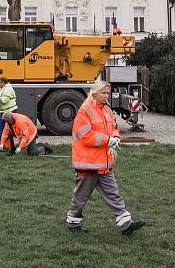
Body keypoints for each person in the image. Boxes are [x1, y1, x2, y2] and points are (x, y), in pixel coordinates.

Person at [65, 80, 145, 236]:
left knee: (113, 194)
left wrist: (115, 138)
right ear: (95, 94)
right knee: (81, 197)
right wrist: (108, 140)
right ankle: (73, 223)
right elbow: (85, 136)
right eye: (104, 93)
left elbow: (114, 128)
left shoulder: (106, 109)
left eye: (107, 93)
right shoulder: (84, 111)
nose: (106, 95)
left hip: (103, 163)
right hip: (88, 164)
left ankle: (126, 224)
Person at [0, 76, 18, 147]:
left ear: (3, 82)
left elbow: (6, 99)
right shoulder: (5, 88)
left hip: (8, 111)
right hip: (6, 110)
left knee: (2, 125)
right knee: (5, 126)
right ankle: (3, 140)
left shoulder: (7, 88)